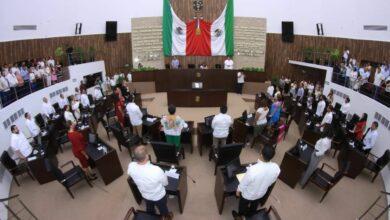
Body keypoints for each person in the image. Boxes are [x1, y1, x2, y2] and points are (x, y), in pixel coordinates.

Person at [232, 146, 280, 218]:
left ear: (261, 154)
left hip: (248, 195)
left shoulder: (253, 170)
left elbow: (243, 184)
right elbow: (272, 182)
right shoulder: (276, 168)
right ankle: (251, 214)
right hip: (261, 194)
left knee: (243, 204)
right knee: (254, 204)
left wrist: (238, 191)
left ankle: (240, 215)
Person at [127, 145, 173, 218]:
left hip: (145, 195)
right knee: (163, 209)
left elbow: (131, 172)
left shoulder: (131, 166)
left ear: (135, 158)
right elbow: (165, 183)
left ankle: (151, 216)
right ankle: (166, 216)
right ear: (147, 156)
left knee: (149, 207)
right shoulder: (156, 170)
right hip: (159, 196)